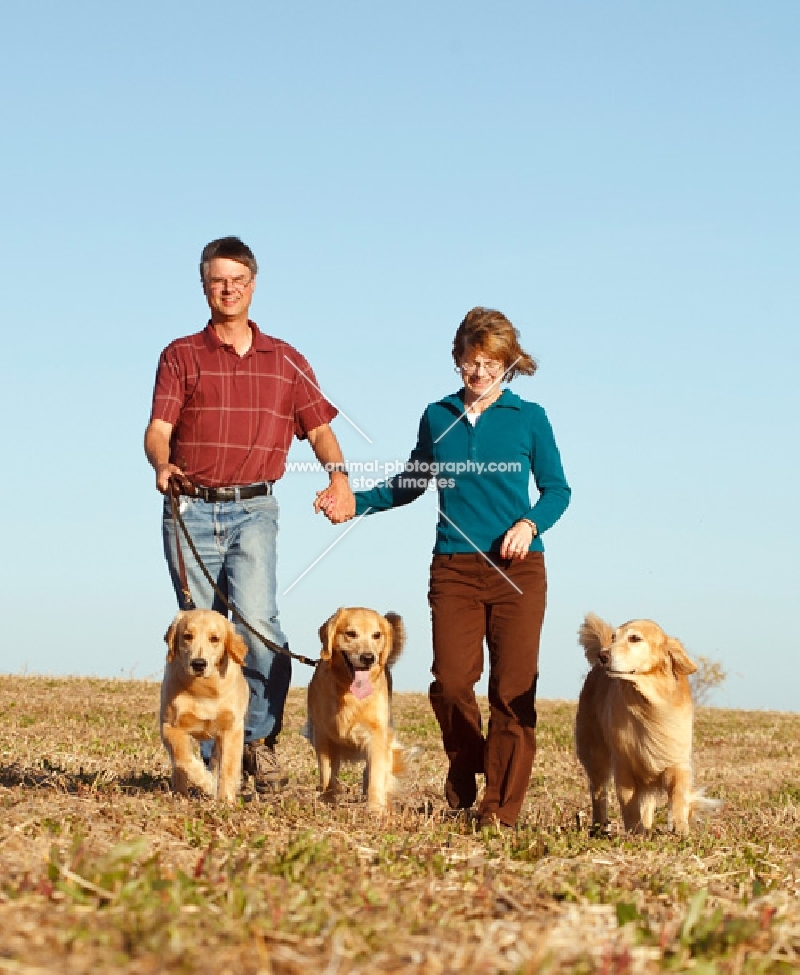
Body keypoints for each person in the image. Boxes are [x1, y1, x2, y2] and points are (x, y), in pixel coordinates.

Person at [319, 308, 570, 827]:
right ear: (456, 359)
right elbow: (410, 483)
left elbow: (558, 490)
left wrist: (530, 524)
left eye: (490, 363)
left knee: (511, 691)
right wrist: (354, 503)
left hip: (517, 571)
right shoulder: (438, 416)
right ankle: (468, 760)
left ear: (509, 364)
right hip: (453, 567)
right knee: (452, 683)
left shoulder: (530, 419)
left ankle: (499, 811)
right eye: (470, 362)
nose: (479, 373)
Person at [145, 236, 354, 792]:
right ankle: (208, 756)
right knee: (198, 633)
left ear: (254, 285)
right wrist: (162, 464)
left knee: (257, 629)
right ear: (205, 287)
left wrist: (339, 477)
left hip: (254, 508)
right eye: (218, 280)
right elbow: (158, 430)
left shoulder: (286, 359)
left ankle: (255, 741)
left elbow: (320, 429)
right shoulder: (181, 355)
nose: (228, 288)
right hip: (188, 507)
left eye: (238, 279)